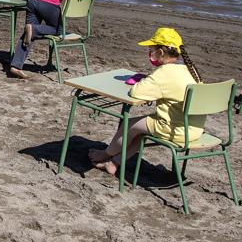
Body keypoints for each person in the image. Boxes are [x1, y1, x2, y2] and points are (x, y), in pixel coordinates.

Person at [88, 27, 205, 175]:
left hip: (176, 129)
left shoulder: (165, 72)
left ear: (161, 52)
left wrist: (146, 80)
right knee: (141, 130)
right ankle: (114, 163)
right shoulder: (191, 69)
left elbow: (137, 92)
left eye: (151, 49)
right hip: (194, 128)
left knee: (128, 125)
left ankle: (106, 154)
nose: (150, 53)